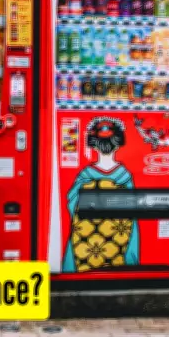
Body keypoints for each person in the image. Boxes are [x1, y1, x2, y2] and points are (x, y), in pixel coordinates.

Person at [63, 117, 139, 273]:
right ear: (118, 145)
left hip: (84, 248)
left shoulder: (85, 175)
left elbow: (71, 203)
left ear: (93, 146)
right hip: (118, 244)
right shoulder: (124, 175)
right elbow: (133, 212)